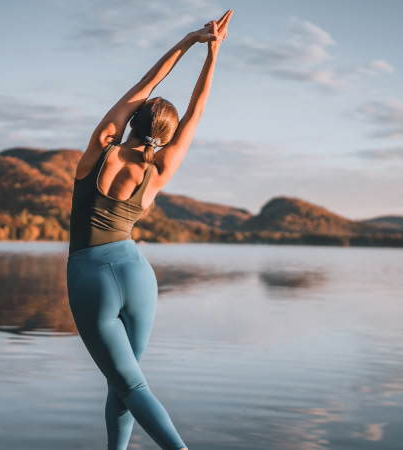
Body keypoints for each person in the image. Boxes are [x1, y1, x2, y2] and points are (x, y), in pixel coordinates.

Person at [66, 10, 233, 450]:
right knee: (124, 386)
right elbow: (197, 111)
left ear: (131, 120)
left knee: (130, 387)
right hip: (138, 274)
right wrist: (213, 55)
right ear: (165, 133)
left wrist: (188, 41)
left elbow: (144, 85)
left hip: (89, 275)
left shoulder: (101, 147)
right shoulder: (158, 171)